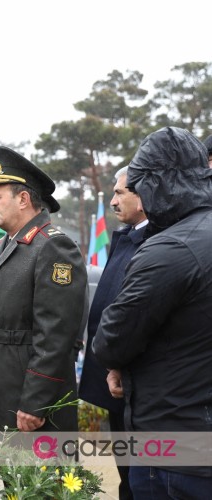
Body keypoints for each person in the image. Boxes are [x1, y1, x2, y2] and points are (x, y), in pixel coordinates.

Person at [93, 127, 212, 497]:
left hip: (173, 448)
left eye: (141, 185)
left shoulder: (168, 250)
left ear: (159, 184)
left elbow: (111, 342)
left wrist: (117, 364)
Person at [0, 146, 87, 433]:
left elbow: (55, 335)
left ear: (23, 199)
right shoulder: (7, 243)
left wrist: (36, 401)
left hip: (29, 395)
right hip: (0, 385)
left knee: (34, 476)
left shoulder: (53, 246)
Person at [78, 166, 146, 500]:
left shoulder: (154, 240)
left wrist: (118, 363)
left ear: (144, 197)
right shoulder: (128, 237)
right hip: (112, 378)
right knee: (125, 472)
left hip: (133, 379)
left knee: (137, 476)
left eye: (120, 193)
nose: (114, 201)